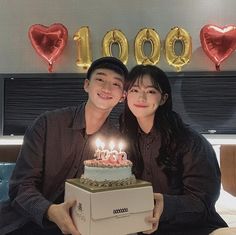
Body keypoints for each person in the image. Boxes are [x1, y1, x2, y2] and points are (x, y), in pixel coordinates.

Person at [0, 57, 128, 235]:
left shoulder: (115, 143)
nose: (107, 88)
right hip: (26, 222)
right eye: (100, 79)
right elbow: (21, 186)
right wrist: (51, 211)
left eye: (116, 84)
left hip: (84, 227)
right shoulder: (47, 124)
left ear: (122, 96)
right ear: (86, 85)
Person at [120, 65, 228, 235]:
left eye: (150, 91)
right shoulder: (125, 139)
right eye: (134, 90)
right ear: (126, 96)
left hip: (192, 229)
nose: (141, 97)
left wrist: (166, 205)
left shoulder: (190, 141)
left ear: (163, 98)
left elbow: (202, 203)